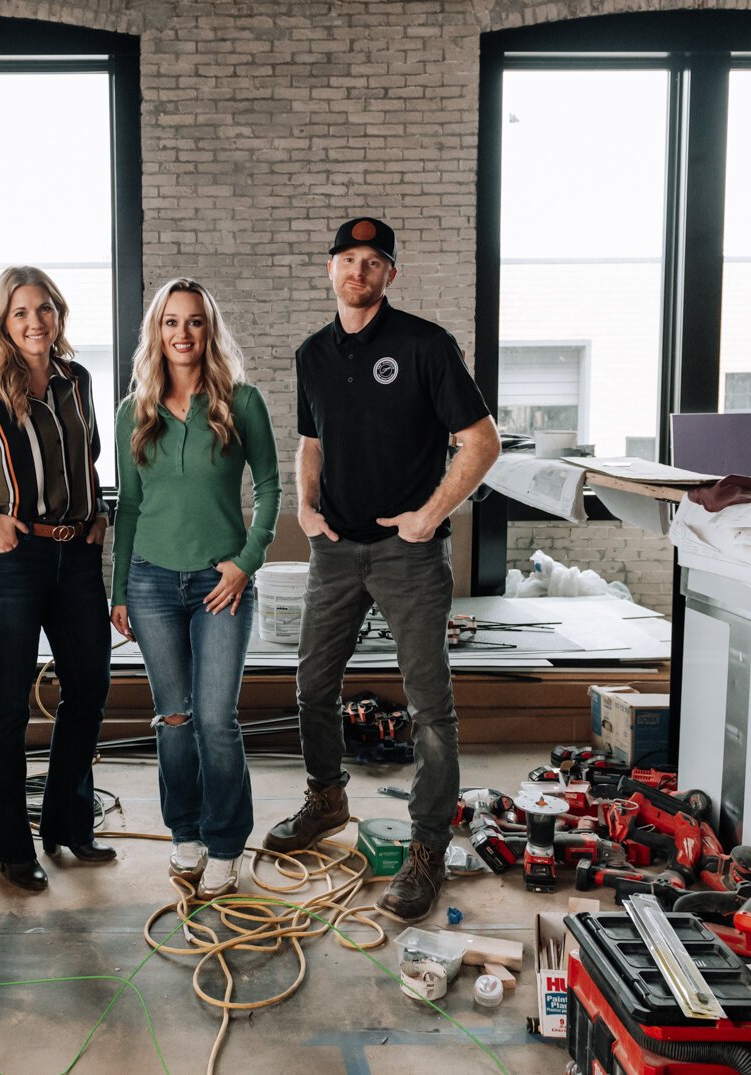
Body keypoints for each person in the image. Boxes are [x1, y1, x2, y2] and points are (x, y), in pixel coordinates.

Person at [262, 217, 501, 923]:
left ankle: (428, 847)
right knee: (311, 686)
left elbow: (480, 442)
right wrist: (306, 509)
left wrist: (429, 515)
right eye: (347, 259)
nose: (358, 270)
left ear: (390, 274)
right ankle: (326, 797)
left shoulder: (426, 346)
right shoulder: (311, 353)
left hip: (408, 553)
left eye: (373, 261)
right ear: (328, 268)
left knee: (430, 709)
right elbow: (310, 441)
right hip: (335, 549)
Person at [0, 265, 115, 893]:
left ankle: (67, 823)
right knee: (10, 701)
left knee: (89, 685)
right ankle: (11, 845)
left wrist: (97, 514)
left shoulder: (78, 381)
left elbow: (87, 458)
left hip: (76, 558)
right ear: (3, 323)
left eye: (44, 309)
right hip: (8, 562)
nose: (35, 321)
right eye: (20, 313)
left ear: (58, 315)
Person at [111, 279, 281, 900]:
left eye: (195, 323)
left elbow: (269, 488)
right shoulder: (136, 409)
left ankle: (227, 843)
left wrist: (246, 563)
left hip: (221, 582)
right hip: (151, 581)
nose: (182, 334)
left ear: (210, 331)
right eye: (170, 323)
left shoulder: (242, 401)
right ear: (157, 333)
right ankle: (185, 831)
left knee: (215, 719)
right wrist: (119, 588)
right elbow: (127, 507)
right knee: (174, 718)